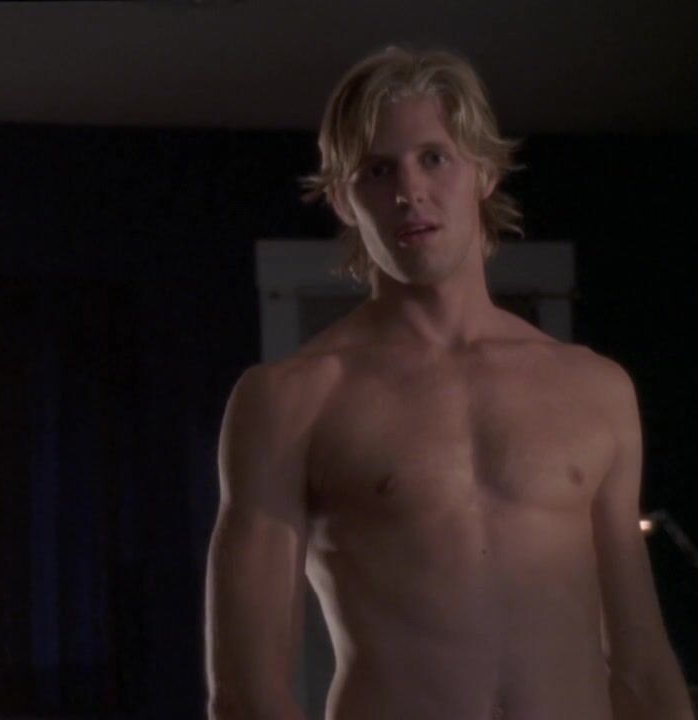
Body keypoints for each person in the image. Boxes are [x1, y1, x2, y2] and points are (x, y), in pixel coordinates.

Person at [205, 46, 692, 720]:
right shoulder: (291, 399)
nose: (409, 191)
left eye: (434, 158)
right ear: (344, 199)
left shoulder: (597, 389)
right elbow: (245, 691)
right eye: (378, 170)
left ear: (484, 172)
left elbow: (642, 667)